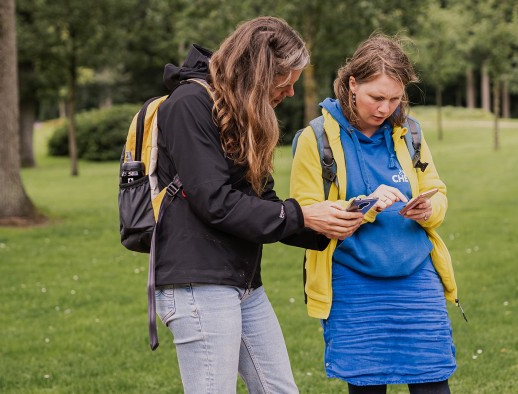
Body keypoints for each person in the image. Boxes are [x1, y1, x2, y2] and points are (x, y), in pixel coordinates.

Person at [153, 17, 363, 393]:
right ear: (259, 74)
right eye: (286, 83)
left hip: (243, 281)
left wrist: (326, 222)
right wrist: (303, 214)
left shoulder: (244, 115)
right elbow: (215, 202)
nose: (291, 93)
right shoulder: (188, 105)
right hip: (198, 283)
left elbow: (264, 203)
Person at [290, 35, 460, 394]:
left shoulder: (410, 132)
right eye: (376, 97)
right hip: (353, 282)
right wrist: (366, 205)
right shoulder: (315, 138)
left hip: (417, 278)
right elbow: (305, 215)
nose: (385, 108)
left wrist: (428, 208)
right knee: (367, 386)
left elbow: (438, 191)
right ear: (352, 84)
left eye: (395, 98)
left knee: (433, 381)